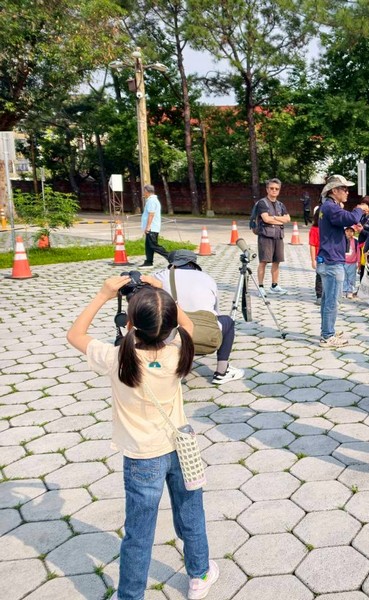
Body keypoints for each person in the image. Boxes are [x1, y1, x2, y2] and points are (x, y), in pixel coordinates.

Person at [66, 278, 218, 600]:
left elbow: (75, 335)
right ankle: (199, 574)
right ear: (170, 325)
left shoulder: (117, 358)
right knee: (191, 514)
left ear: (130, 322)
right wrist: (162, 291)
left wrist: (104, 294)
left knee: (138, 534)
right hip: (181, 449)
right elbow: (188, 325)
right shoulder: (179, 351)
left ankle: (131, 595)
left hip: (141, 458)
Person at [154, 250, 244, 385]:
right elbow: (215, 313)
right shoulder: (208, 278)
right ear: (193, 263)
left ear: (172, 264)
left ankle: (167, 366)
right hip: (206, 338)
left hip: (169, 339)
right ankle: (222, 372)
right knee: (228, 322)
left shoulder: (160, 276)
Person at [317, 175, 369, 347]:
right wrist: (360, 208)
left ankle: (327, 329)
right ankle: (327, 336)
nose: (347, 192)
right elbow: (351, 217)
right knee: (332, 301)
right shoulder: (331, 207)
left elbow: (344, 221)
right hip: (332, 261)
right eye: (344, 189)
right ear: (334, 190)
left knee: (328, 299)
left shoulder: (328, 206)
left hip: (328, 259)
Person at [255, 178, 291, 295]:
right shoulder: (262, 203)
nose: (274, 190)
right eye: (271, 188)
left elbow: (288, 219)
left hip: (278, 236)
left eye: (276, 189)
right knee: (263, 261)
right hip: (265, 236)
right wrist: (280, 220)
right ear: (267, 189)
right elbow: (266, 218)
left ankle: (274, 285)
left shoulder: (281, 205)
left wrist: (274, 217)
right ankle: (260, 287)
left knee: (277, 261)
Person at [140, 184, 169, 268]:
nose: (143, 193)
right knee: (148, 246)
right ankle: (148, 262)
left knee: (153, 245)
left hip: (152, 227)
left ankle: (170, 256)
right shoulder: (151, 200)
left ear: (147, 191)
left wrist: (148, 226)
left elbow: (151, 214)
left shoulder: (151, 201)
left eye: (144, 191)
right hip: (152, 227)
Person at [357, 196, 369, 282]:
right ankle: (361, 287)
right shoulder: (363, 216)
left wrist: (362, 230)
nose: (362, 206)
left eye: (364, 205)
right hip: (361, 245)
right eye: (361, 204)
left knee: (367, 269)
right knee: (362, 268)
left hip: (368, 247)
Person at [309, 206, 322, 304]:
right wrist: (313, 260)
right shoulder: (314, 229)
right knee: (320, 276)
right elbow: (312, 245)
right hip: (320, 257)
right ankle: (319, 296)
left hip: (331, 257)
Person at [343, 227, 360, 299]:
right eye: (347, 231)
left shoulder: (355, 241)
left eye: (351, 231)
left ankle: (350, 291)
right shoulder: (342, 240)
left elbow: (358, 252)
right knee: (343, 277)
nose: (349, 233)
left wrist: (358, 262)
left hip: (352, 263)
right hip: (343, 262)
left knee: (351, 278)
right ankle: (344, 290)